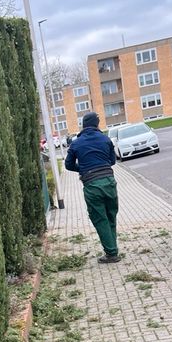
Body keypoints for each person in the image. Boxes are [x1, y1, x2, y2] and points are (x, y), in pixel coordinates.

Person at [64, 111, 120, 263]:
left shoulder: (76, 143)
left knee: (100, 219)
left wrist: (83, 169)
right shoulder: (105, 139)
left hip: (92, 184)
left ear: (84, 125)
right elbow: (112, 161)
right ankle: (112, 248)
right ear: (96, 124)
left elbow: (68, 165)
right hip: (109, 182)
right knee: (110, 216)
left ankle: (111, 253)